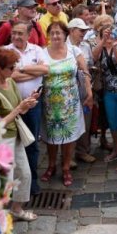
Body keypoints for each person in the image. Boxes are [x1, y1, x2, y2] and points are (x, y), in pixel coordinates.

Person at [0, 47, 40, 221]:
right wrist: (19, 109)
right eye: (10, 68)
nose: (13, 70)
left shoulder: (11, 82)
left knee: (25, 173)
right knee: (5, 179)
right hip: (2, 140)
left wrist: (28, 103)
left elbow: (18, 107)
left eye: (14, 66)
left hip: (17, 136)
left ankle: (17, 209)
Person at [39, 22, 88, 187]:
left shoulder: (74, 51)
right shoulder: (42, 53)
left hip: (71, 102)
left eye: (58, 33)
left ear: (65, 35)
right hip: (50, 102)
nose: (55, 36)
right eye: (52, 33)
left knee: (69, 136)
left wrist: (89, 92)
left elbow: (85, 71)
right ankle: (51, 165)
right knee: (51, 136)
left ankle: (66, 167)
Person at [5, 21, 49, 196]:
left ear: (28, 34)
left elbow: (45, 69)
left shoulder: (37, 50)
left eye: (20, 33)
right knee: (12, 144)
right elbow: (10, 76)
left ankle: (32, 182)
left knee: (31, 143)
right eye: (14, 33)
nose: (16, 36)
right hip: (12, 106)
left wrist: (21, 68)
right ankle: (12, 184)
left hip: (32, 105)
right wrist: (32, 72)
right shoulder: (6, 51)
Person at [93, 15, 117, 173]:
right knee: (113, 124)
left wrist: (114, 45)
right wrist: (103, 42)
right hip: (109, 92)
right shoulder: (101, 47)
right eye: (104, 34)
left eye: (110, 33)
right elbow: (94, 56)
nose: (108, 36)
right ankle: (116, 149)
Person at [67, 18, 97, 164]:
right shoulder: (64, 46)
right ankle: (69, 155)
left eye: (85, 30)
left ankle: (82, 151)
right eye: (81, 30)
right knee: (70, 121)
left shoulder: (85, 46)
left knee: (86, 118)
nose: (84, 33)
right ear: (71, 31)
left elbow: (90, 63)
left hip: (85, 86)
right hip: (69, 88)